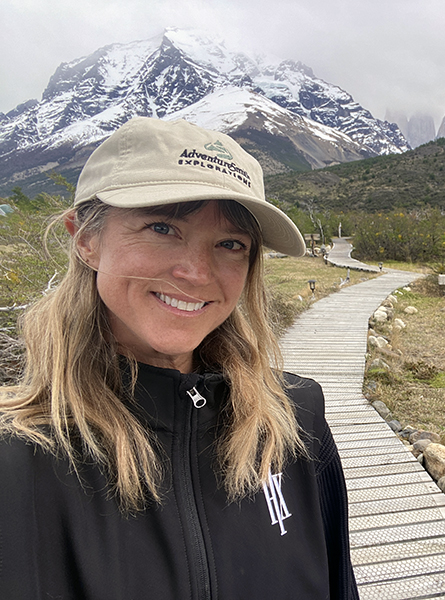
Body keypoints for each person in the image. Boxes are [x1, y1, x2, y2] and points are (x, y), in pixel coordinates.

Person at [0, 117, 360, 599]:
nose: (195, 272)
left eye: (231, 244)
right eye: (163, 227)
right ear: (85, 239)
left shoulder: (295, 417)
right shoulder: (19, 458)